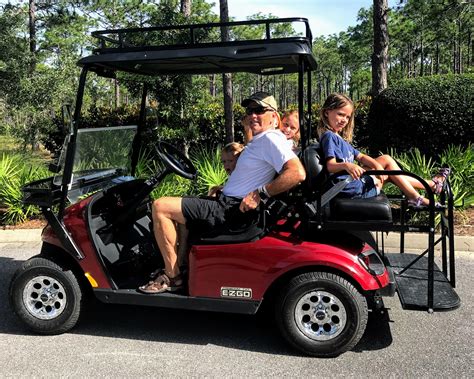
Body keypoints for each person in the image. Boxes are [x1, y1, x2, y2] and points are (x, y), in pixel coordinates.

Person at [139, 92, 306, 294]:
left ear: (275, 117)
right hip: (227, 203)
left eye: (260, 110)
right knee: (182, 217)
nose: (253, 115)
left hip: (230, 212)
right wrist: (225, 187)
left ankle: (173, 277)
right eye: (250, 111)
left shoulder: (271, 139)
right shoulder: (261, 140)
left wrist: (259, 194)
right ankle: (179, 267)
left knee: (160, 206)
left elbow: (297, 173)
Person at [317, 93, 450, 207]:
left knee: (386, 161)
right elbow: (330, 166)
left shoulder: (339, 138)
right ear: (327, 112)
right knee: (388, 166)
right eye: (340, 114)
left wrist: (376, 165)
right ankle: (419, 194)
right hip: (350, 189)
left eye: (347, 117)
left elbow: (361, 157)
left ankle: (428, 188)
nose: (344, 120)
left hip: (354, 184)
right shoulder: (329, 136)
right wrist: (347, 165)